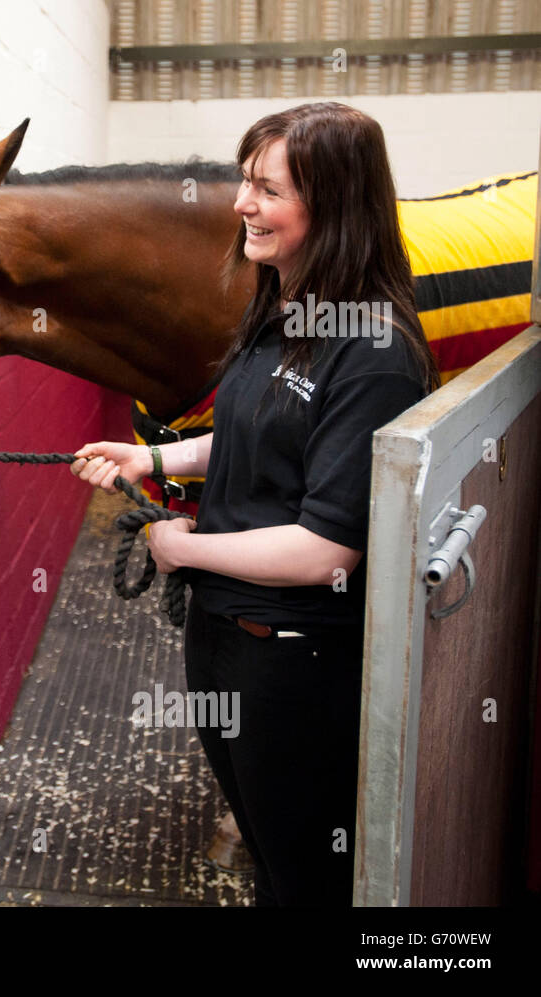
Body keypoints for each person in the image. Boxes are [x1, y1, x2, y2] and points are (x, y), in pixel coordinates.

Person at [71, 102, 440, 906]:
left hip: (293, 660)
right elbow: (252, 434)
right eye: (246, 183)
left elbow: (324, 549)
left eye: (266, 190)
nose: (242, 204)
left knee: (306, 873)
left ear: (334, 207)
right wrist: (152, 455)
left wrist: (183, 546)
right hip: (224, 636)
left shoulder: (374, 353)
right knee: (270, 858)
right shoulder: (282, 309)